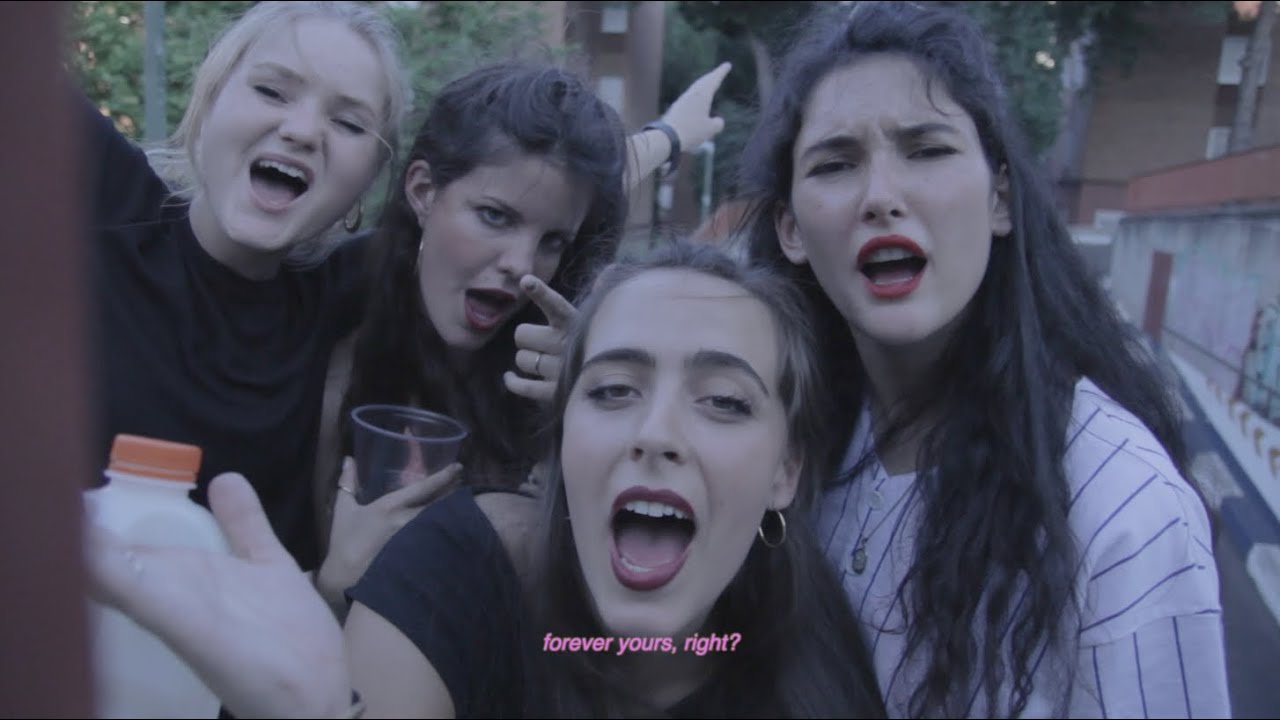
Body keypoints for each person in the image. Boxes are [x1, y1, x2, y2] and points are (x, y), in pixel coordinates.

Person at [86, 242, 888, 719]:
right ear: (563, 439)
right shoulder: (451, 581)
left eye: (723, 401)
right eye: (613, 390)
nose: (654, 433)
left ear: (786, 472)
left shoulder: (812, 646)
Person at [741, 2, 1229, 717]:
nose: (881, 197)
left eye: (927, 150)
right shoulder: (785, 448)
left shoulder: (1121, 507)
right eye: (836, 164)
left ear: (1000, 198)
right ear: (790, 229)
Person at [310, 62, 733, 612]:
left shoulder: (557, 355)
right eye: (494, 217)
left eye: (553, 241)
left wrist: (597, 405)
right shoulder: (327, 324)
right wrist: (333, 587)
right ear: (422, 191)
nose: (523, 264)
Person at [84, 0, 413, 572]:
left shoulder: (345, 292)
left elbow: (500, 212)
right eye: (272, 91)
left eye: (349, 124)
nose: (302, 131)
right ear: (210, 102)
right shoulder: (100, 197)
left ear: (367, 183)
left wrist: (573, 353)